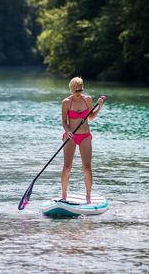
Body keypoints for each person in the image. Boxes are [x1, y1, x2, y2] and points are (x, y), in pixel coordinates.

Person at [61, 76, 104, 204]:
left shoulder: (88, 100)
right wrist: (68, 130)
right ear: (72, 90)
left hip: (85, 135)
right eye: (77, 91)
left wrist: (99, 107)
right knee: (67, 167)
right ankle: (64, 196)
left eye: (81, 90)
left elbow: (90, 118)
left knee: (86, 167)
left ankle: (88, 197)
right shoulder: (66, 102)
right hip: (71, 137)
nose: (79, 93)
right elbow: (64, 121)